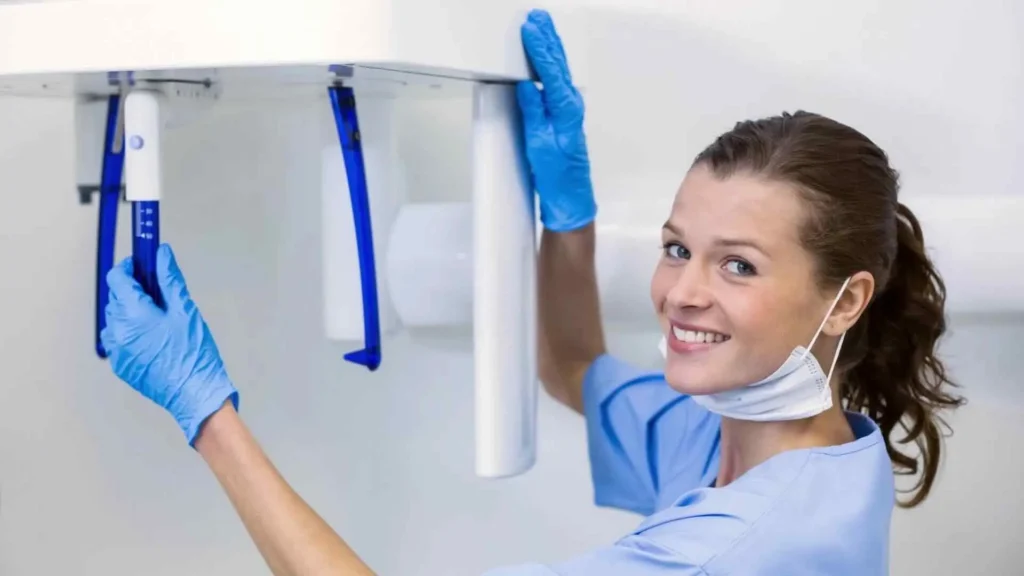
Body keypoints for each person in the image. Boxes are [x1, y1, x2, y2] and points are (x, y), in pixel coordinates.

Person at [99, 9, 965, 576]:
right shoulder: (766, 438)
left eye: (737, 264)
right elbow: (571, 366)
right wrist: (569, 210)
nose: (680, 294)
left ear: (846, 300)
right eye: (677, 248)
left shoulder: (744, 547)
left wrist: (207, 412)